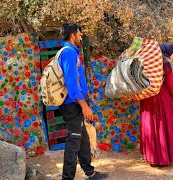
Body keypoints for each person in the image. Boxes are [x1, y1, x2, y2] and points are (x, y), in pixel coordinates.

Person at [58, 23, 107, 180]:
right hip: (72, 105)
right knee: (74, 141)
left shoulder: (71, 52)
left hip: (75, 103)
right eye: (79, 34)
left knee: (83, 139)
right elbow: (72, 83)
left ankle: (89, 172)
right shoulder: (69, 53)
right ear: (73, 36)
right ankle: (67, 178)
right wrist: (84, 105)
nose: (81, 37)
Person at [139, 43, 173, 166]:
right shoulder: (165, 63)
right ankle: (163, 158)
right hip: (162, 99)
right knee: (163, 124)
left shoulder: (148, 62)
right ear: (168, 52)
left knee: (151, 125)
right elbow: (170, 85)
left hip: (147, 98)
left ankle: (152, 157)